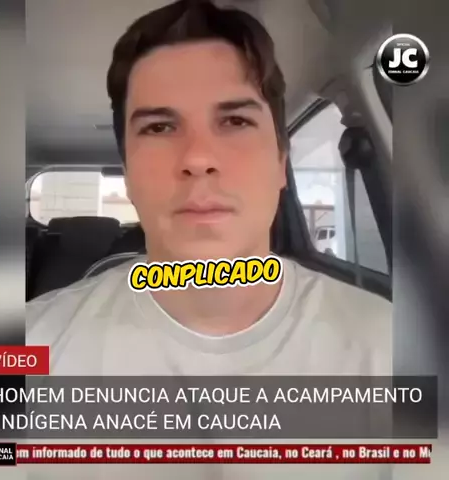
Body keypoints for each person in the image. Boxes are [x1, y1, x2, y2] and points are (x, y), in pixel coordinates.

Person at [26, 0, 392, 478]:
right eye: (159, 127)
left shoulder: (391, 351)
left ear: (280, 162)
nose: (198, 158)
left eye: (235, 121)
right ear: (129, 176)